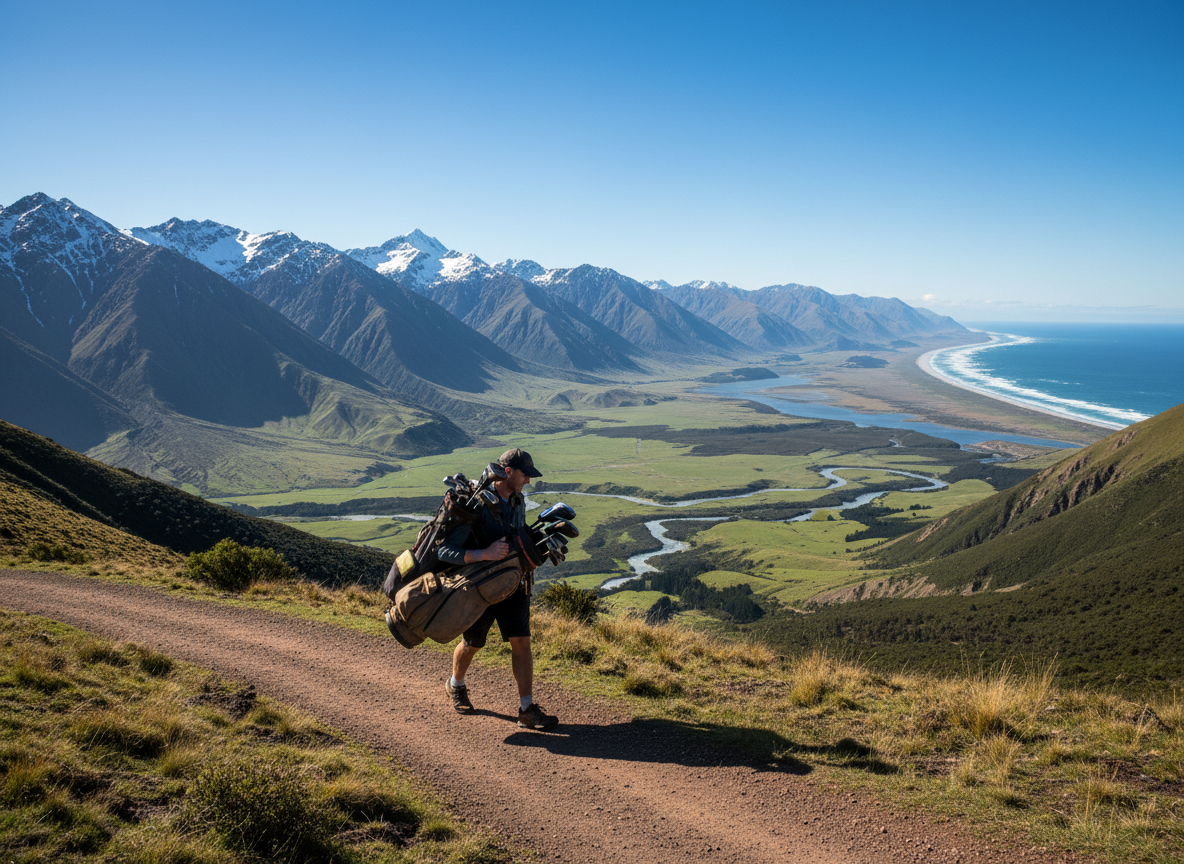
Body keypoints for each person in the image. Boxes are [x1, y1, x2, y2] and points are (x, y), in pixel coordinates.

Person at [439, 448, 558, 729]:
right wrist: (484, 554)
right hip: (481, 588)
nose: (529, 479)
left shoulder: (517, 499)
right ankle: (455, 685)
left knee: (522, 643)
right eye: (525, 474)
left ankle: (526, 709)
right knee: (472, 643)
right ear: (508, 472)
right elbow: (444, 550)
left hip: (514, 585)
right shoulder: (475, 504)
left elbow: (514, 535)